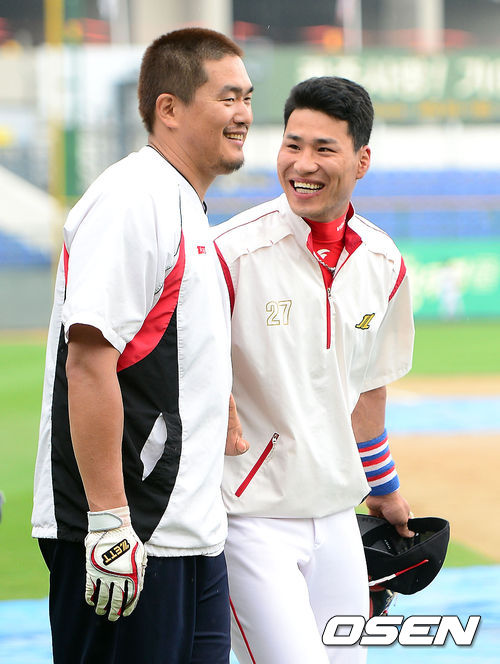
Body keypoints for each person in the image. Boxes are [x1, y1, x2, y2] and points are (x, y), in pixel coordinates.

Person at [31, 27, 252, 664]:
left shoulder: (184, 203)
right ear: (169, 108)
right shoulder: (133, 199)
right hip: (130, 534)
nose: (243, 114)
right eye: (227, 97)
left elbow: (170, 344)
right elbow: (88, 361)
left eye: (247, 97)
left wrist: (218, 404)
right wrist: (108, 522)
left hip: (189, 534)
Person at [212, 76, 415, 664]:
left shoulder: (384, 261)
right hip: (248, 519)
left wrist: (385, 489)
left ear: (362, 159)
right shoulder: (229, 252)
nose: (302, 164)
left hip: (338, 517)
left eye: (324, 148)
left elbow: (368, 392)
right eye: (292, 144)